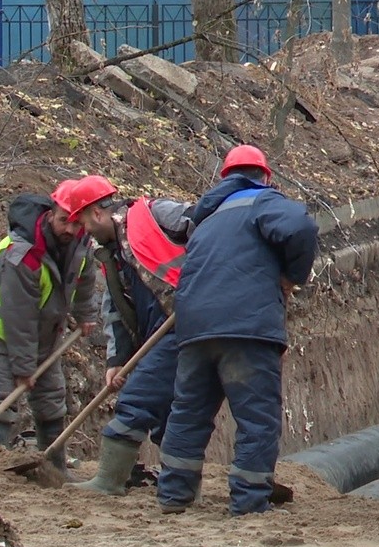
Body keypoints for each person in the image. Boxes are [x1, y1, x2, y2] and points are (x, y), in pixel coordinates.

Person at [156, 144, 319, 516]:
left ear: (223, 178)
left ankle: (173, 497)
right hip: (246, 326)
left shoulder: (206, 218)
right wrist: (292, 276)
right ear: (266, 176)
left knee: (188, 412)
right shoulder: (261, 201)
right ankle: (248, 503)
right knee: (257, 418)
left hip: (195, 326)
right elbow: (301, 226)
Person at [61, 175, 194, 496]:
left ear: (95, 212)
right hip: (156, 333)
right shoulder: (111, 253)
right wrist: (117, 360)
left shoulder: (156, 215)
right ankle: (184, 490)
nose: (84, 231)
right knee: (170, 415)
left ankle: (108, 481)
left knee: (137, 400)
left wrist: (200, 284)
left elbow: (208, 225)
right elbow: (116, 308)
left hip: (183, 326)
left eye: (83, 222)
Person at [0, 179, 98, 472]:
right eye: (64, 221)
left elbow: (85, 279)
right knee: (4, 391)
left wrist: (85, 313)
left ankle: (53, 465)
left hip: (44, 325)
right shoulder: (22, 254)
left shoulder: (80, 242)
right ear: (51, 213)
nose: (70, 229)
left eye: (77, 223)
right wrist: (24, 368)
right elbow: (19, 316)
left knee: (52, 392)